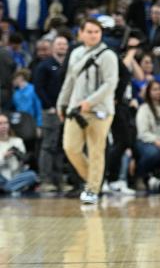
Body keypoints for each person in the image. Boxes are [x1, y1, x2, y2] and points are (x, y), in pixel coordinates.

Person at [56, 18, 120, 205]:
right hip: (75, 109)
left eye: (97, 32)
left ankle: (92, 189)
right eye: (90, 31)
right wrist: (62, 103)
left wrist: (90, 102)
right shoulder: (75, 53)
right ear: (81, 33)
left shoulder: (108, 55)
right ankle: (96, 181)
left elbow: (111, 83)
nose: (93, 35)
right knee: (70, 148)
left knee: (96, 150)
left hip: (100, 110)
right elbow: (69, 80)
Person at [34, 35, 69, 192]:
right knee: (48, 145)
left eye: (64, 44)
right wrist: (49, 106)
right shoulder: (45, 65)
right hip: (50, 111)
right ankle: (46, 180)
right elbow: (39, 88)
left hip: (66, 111)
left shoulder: (69, 65)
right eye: (59, 44)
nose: (62, 46)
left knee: (62, 146)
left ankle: (59, 179)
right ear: (53, 47)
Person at [0, 112, 38, 194]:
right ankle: (11, 188)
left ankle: (6, 189)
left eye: (6, 123)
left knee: (32, 175)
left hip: (16, 177)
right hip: (2, 177)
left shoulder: (18, 141)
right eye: (0, 124)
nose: (4, 126)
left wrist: (21, 158)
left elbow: (23, 165)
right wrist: (4, 157)